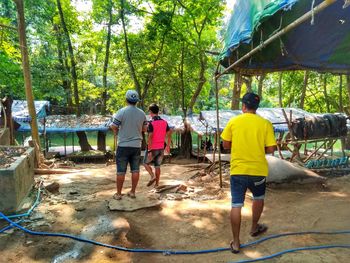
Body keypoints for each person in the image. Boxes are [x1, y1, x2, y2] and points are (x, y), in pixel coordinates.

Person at [221, 92, 276, 254]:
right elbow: (271, 149)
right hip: (258, 171)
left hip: (238, 171)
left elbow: (225, 144)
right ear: (256, 107)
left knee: (236, 205)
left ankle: (236, 243)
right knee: (258, 199)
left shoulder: (234, 121)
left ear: (243, 106)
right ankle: (253, 228)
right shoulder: (265, 123)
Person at [109, 90, 148, 200]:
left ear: (126, 99)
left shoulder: (121, 112)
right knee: (135, 170)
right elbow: (145, 129)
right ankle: (132, 192)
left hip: (123, 146)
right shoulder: (142, 113)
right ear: (137, 101)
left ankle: (118, 194)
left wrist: (117, 131)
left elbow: (113, 126)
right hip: (136, 146)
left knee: (121, 171)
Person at [143, 103, 172, 187]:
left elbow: (150, 137)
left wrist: (149, 149)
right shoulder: (164, 122)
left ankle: (152, 176)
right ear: (158, 112)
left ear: (151, 112)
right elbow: (169, 134)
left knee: (145, 163)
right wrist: (168, 146)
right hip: (161, 148)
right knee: (157, 166)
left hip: (153, 148)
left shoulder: (151, 123)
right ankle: (157, 184)